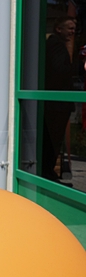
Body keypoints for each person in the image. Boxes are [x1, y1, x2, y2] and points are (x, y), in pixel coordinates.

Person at [42, 16, 77, 182]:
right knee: (52, 140)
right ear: (58, 29)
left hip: (56, 104)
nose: (72, 31)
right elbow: (58, 73)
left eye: (74, 28)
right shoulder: (56, 46)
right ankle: (48, 174)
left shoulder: (55, 45)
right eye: (69, 28)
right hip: (57, 105)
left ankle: (48, 172)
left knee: (52, 141)